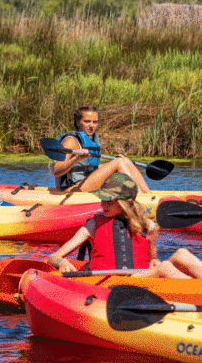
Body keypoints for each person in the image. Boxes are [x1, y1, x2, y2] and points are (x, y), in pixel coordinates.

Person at [47, 172, 202, 279]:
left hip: (140, 277)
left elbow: (153, 261)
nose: (103, 204)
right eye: (102, 199)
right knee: (165, 268)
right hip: (114, 281)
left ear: (125, 203)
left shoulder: (148, 227)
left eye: (109, 200)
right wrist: (62, 262)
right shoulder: (93, 225)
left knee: (182, 253)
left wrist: (154, 263)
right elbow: (53, 257)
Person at [52, 105, 151, 193]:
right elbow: (57, 171)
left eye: (95, 122)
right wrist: (76, 159)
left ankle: (148, 194)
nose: (91, 125)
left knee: (124, 160)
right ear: (78, 122)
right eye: (87, 121)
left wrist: (115, 162)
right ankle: (142, 199)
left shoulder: (90, 139)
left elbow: (87, 168)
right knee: (118, 162)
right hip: (70, 189)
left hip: (85, 182)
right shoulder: (70, 141)